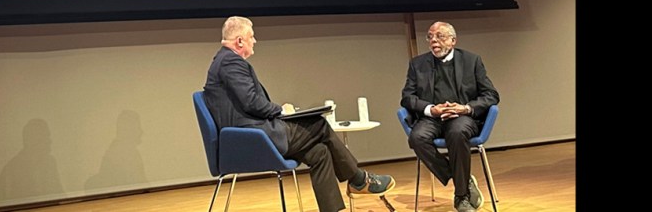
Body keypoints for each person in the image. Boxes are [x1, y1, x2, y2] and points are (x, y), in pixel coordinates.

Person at [204, 16, 394, 212]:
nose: (255, 41)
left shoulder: (224, 61)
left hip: (253, 134)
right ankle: (359, 180)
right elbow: (252, 103)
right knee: (318, 124)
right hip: (254, 138)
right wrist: (281, 110)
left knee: (319, 152)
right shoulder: (230, 62)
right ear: (240, 41)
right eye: (251, 36)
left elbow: (247, 103)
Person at [401, 21, 499, 212]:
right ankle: (461, 178)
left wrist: (465, 108)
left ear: (453, 41)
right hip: (432, 117)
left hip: (462, 117)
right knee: (416, 138)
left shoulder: (472, 61)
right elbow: (407, 97)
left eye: (440, 36)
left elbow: (491, 95)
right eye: (430, 37)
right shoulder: (418, 64)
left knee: (457, 132)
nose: (434, 41)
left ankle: (461, 197)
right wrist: (431, 109)